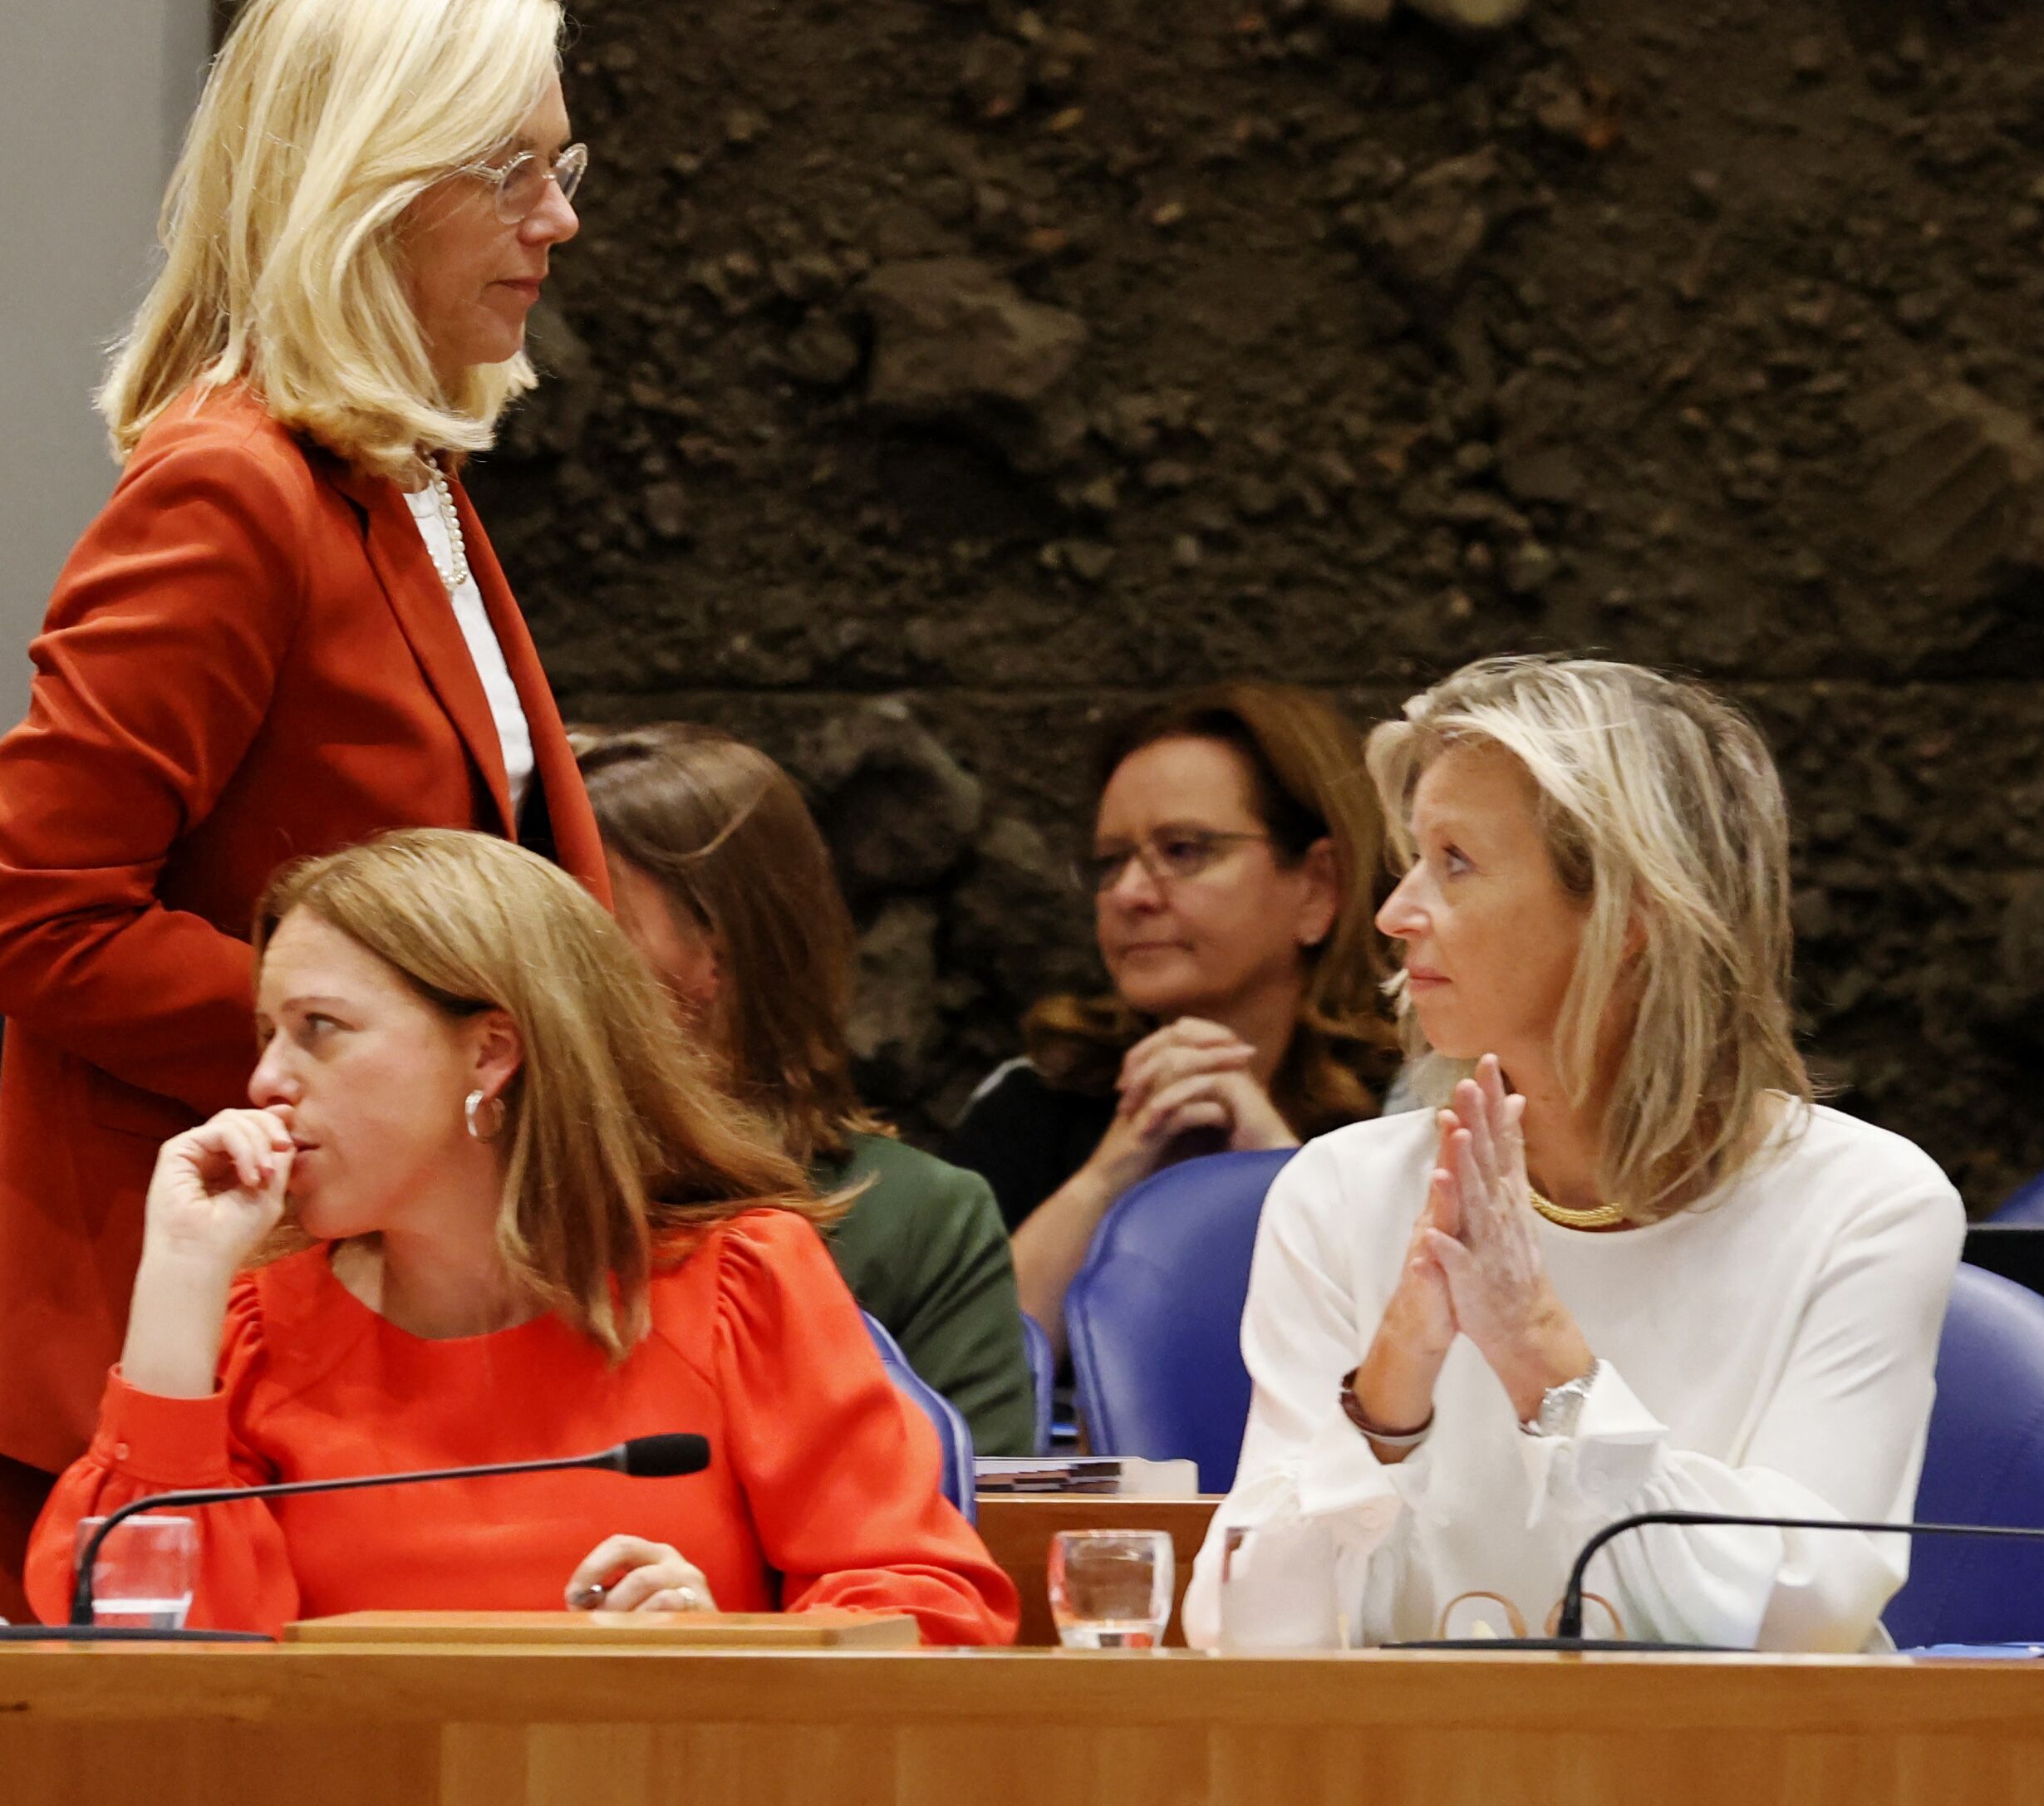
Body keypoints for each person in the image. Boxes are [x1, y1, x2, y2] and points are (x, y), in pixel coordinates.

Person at [0, 0, 613, 1615]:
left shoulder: (400, 472)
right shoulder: (230, 490)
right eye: (511, 172)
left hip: (345, 1332)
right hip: (163, 1365)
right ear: (365, 183)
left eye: (564, 165)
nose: (557, 219)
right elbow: (33, 918)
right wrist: (368, 1062)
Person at [23, 830, 1016, 1644]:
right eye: (268, 1032)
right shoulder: (255, 1324)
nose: (266, 1081)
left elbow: (928, 1613)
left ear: (491, 1051)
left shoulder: (738, 1284)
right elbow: (138, 1653)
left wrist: (729, 1647)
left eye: (320, 1026)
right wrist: (179, 1280)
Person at [1183, 658, 1963, 1651]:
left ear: (1631, 914)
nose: (1395, 911)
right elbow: (1235, 1632)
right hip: (1408, 1753)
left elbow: (1799, 1621)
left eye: (1455, 861)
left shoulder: (1867, 1205)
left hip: (1727, 1756)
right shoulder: (1341, 1193)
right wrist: (1390, 1394)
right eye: (1413, 858)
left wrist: (1541, 1353)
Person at [576, 724, 1034, 1453]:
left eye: (586, 923)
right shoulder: (496, 1203)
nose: (532, 963)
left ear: (721, 948)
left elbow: (973, 1507)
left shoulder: (918, 1216)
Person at [940, 683, 1402, 1353]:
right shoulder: (1033, 1102)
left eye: (1183, 850)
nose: (1129, 894)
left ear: (1317, 887)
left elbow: (1417, 1371)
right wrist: (1106, 1178)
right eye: (1110, 862)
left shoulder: (1411, 1114)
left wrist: (1272, 1173)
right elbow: (953, 1378)